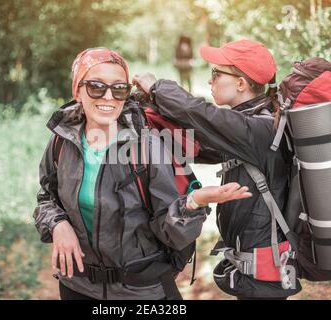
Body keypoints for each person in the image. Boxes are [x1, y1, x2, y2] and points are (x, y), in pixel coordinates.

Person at [33, 47, 252, 300]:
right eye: (96, 86)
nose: (108, 97)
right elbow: (46, 197)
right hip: (76, 286)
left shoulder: (146, 146)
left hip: (141, 291)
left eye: (119, 89)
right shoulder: (62, 140)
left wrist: (193, 204)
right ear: (77, 91)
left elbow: (168, 230)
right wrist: (58, 224)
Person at [133, 39, 302, 300]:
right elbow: (200, 147)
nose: (211, 81)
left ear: (241, 83)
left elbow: (201, 113)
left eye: (216, 73)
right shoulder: (250, 124)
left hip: (264, 265)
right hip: (255, 261)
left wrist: (157, 88)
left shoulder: (258, 129)